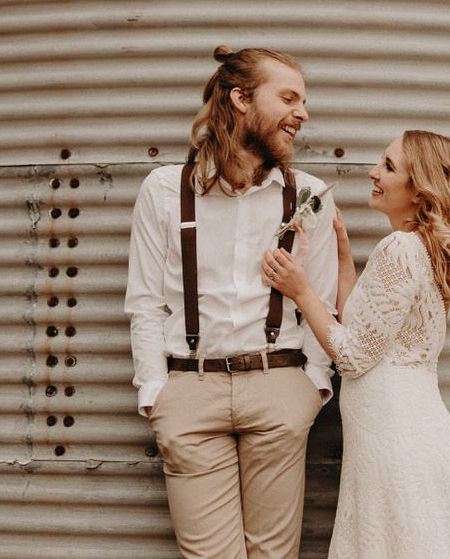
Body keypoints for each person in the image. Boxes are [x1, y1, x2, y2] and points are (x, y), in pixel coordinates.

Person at [124, 45, 338, 559]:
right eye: (288, 98)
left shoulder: (309, 195)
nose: (302, 113)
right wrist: (157, 392)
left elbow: (322, 302)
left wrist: (312, 385)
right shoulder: (163, 191)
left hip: (280, 386)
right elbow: (146, 302)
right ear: (240, 99)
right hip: (189, 392)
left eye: (303, 101)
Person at [263, 130, 450, 559]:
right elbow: (365, 330)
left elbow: (351, 355)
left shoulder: (400, 248)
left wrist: (301, 290)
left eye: (388, 166)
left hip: (397, 444)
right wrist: (346, 260)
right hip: (415, 438)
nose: (373, 172)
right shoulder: (423, 249)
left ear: (420, 191)